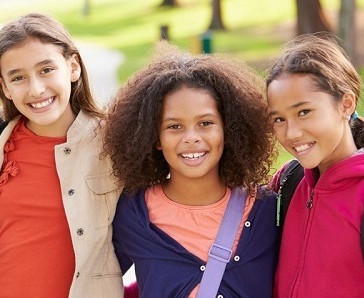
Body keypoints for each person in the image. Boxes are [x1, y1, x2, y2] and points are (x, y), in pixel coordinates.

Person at [104, 44, 279, 298]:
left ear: (228, 129)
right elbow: (96, 280)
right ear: (154, 137)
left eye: (205, 123)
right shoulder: (133, 213)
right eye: (174, 127)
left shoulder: (266, 211)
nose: (191, 138)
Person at [0, 13, 123, 297]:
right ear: (4, 87)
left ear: (73, 67)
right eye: (18, 77)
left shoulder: (114, 143)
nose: (36, 89)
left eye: (46, 70)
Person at [266, 34, 364, 297]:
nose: (292, 133)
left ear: (346, 104)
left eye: (304, 112)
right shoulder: (286, 183)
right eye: (278, 119)